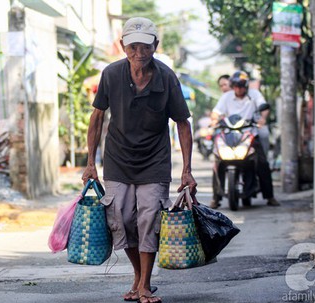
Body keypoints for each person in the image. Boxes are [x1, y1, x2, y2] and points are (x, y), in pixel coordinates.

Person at [81, 17, 197, 303]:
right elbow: (97, 117)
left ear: (155, 46)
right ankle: (139, 275)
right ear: (123, 47)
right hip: (118, 158)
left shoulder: (167, 77)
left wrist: (187, 170)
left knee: (148, 217)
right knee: (120, 218)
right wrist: (89, 162)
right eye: (133, 47)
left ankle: (144, 284)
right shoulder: (110, 74)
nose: (139, 53)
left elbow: (183, 123)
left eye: (145, 47)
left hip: (155, 159)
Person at [209, 70, 279, 208]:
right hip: (229, 134)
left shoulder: (254, 94)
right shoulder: (227, 97)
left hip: (250, 133)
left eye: (241, 86)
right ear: (232, 86)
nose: (238, 89)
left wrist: (262, 118)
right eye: (236, 86)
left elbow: (263, 107)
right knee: (218, 161)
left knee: (262, 163)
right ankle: (216, 198)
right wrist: (214, 120)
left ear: (246, 85)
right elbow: (216, 112)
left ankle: (269, 196)